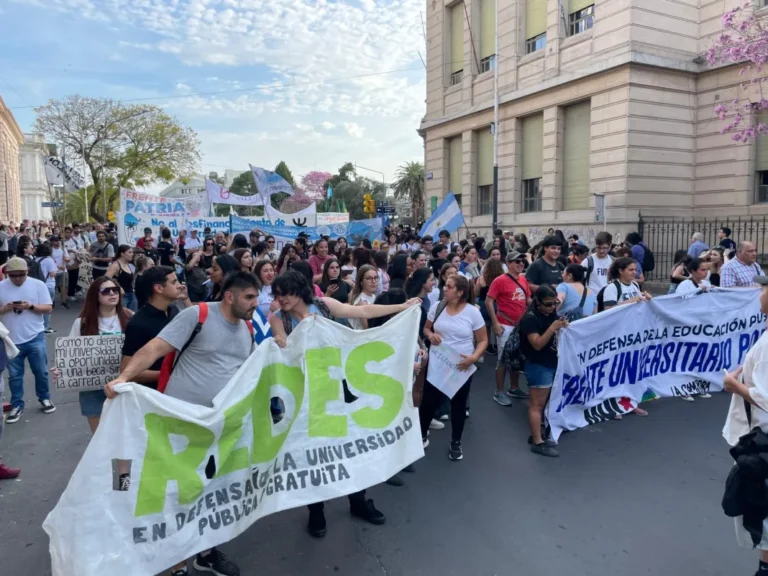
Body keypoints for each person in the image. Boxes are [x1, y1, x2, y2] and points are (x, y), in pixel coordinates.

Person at [107, 272, 257, 576]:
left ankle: (206, 552)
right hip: (178, 423)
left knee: (210, 492)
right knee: (173, 494)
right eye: (250, 297)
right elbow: (154, 349)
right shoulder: (198, 315)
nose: (255, 304)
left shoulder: (249, 329)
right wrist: (123, 377)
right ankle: (175, 564)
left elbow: (250, 372)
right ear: (230, 296)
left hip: (217, 430)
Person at [269, 270, 420, 537]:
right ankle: (316, 512)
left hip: (342, 392)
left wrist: (402, 307)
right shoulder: (278, 318)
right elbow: (282, 344)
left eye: (286, 293)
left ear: (300, 290)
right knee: (314, 455)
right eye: (277, 294)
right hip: (309, 399)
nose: (281, 299)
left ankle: (358, 500)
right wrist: (282, 342)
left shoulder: (324, 307)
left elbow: (363, 311)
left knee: (350, 447)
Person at [723, 275, 768, 575]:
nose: (760, 292)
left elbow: (765, 397)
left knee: (759, 508)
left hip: (761, 439)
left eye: (765, 288)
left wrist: (732, 384)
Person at [420, 274, 487, 461]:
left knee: (458, 404)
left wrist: (473, 358)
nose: (444, 288)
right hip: (438, 362)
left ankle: (456, 442)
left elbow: (483, 340)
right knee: (429, 401)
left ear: (460, 292)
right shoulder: (438, 306)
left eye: (449, 287)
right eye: (445, 285)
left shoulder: (472, 312)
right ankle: (422, 435)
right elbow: (427, 328)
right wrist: (430, 335)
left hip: (461, 365)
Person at [70, 276, 132, 432]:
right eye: (105, 291)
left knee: (124, 438)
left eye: (115, 290)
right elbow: (71, 354)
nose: (112, 294)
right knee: (99, 439)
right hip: (92, 388)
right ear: (95, 295)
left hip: (124, 385)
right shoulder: (82, 323)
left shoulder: (130, 318)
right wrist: (63, 371)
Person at [1, 257, 54, 423]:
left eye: (21, 275)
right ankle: (17, 405)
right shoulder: (1, 287)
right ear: (7, 274)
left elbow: (48, 308)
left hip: (34, 336)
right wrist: (5, 308)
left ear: (27, 272)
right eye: (13, 275)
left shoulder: (38, 285)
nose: (17, 278)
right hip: (10, 339)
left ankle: (44, 397)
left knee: (41, 371)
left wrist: (30, 306)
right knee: (15, 376)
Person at [518, 285, 567, 457]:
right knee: (537, 405)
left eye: (555, 303)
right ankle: (537, 442)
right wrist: (553, 328)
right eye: (547, 304)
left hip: (552, 363)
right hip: (538, 365)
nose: (552, 307)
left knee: (546, 403)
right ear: (537, 302)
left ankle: (538, 435)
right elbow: (537, 344)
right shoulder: (530, 319)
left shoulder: (550, 313)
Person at [122, 266, 183, 393]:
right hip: (153, 395)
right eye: (174, 282)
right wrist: (165, 374)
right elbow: (126, 370)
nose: (180, 285)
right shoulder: (138, 323)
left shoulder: (174, 312)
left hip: (179, 390)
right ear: (158, 288)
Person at [486, 251, 530, 405]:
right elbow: (489, 301)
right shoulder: (499, 280)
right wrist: (495, 323)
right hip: (505, 325)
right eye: (517, 261)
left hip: (520, 326)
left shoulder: (523, 279)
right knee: (503, 360)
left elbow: (528, 299)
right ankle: (499, 392)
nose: (520, 264)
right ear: (509, 263)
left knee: (517, 358)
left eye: (522, 262)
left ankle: (514, 387)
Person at [34, 243, 58, 333]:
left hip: (38, 285)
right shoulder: (49, 260)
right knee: (48, 307)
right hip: (48, 285)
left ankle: (39, 325)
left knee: (39, 306)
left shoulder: (35, 260)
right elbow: (52, 274)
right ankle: (46, 326)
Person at [106, 245, 137, 311]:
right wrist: (118, 287)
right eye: (130, 252)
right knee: (123, 316)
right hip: (121, 296)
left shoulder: (128, 264)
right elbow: (106, 278)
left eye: (132, 252)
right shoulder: (116, 265)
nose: (132, 254)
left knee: (133, 315)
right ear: (122, 254)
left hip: (131, 294)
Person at [348, 264, 379, 329]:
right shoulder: (362, 302)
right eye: (369, 278)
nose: (373, 281)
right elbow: (368, 328)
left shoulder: (373, 296)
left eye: (375, 278)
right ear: (361, 282)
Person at [63, 226, 85, 301]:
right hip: (64, 264)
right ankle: (63, 294)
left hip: (75, 263)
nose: (68, 234)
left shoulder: (75, 241)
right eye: (67, 232)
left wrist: (78, 259)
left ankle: (71, 294)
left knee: (73, 279)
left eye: (70, 232)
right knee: (65, 281)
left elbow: (80, 250)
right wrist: (69, 250)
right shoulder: (61, 241)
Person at [50, 235, 70, 309]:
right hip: (54, 271)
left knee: (64, 287)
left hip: (63, 271)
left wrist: (67, 259)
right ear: (52, 242)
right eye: (55, 240)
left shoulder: (63, 249)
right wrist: (58, 267)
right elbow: (50, 261)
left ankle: (63, 302)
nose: (58, 242)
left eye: (58, 240)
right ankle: (52, 301)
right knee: (53, 287)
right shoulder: (50, 250)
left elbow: (68, 258)